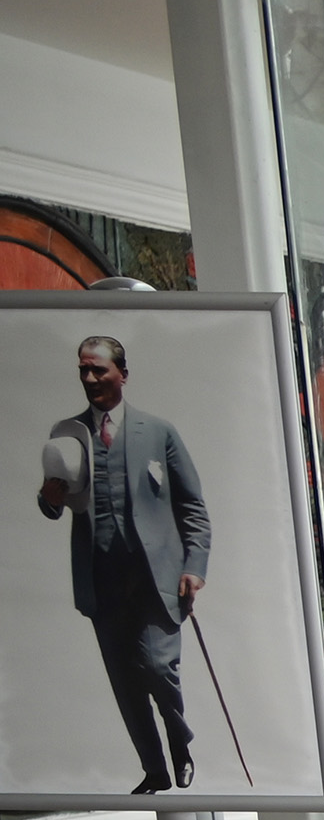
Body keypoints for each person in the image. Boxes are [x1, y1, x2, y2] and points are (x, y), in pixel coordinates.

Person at [35, 333, 212, 792]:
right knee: (124, 680)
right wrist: (48, 499)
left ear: (122, 375)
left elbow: (192, 507)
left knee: (156, 669)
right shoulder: (68, 435)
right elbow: (61, 504)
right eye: (84, 371)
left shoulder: (157, 431)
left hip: (157, 578)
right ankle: (153, 769)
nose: (91, 378)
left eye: (99, 370)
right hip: (101, 577)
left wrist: (194, 565)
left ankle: (179, 740)